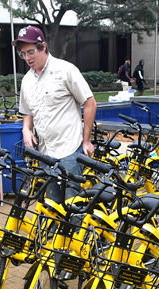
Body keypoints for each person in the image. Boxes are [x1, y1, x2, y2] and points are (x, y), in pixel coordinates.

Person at [14, 26, 97, 203]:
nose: (27, 58)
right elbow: (27, 112)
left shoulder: (65, 70)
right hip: (45, 153)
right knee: (51, 206)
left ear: (43, 46)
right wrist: (26, 129)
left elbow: (90, 102)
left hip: (70, 150)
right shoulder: (27, 80)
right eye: (23, 54)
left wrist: (86, 140)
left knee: (73, 205)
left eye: (31, 52)